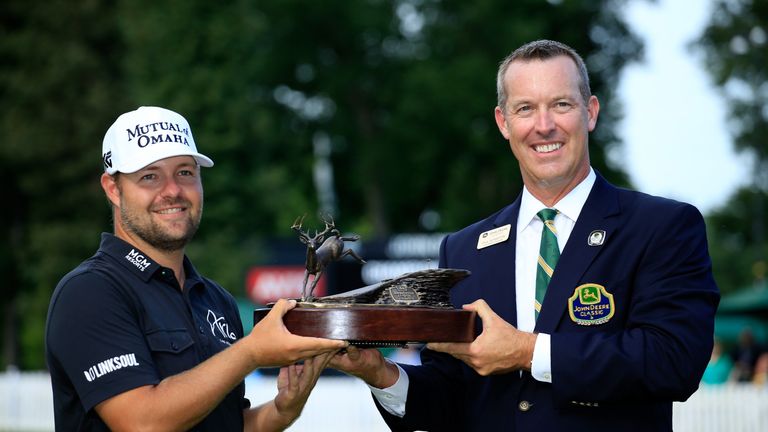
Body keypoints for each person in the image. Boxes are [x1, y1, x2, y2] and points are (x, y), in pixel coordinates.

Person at [330, 39, 720, 431]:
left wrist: (529, 352)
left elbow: (675, 362)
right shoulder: (463, 249)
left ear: (591, 112)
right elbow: (447, 399)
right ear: (503, 122)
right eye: (525, 109)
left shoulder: (661, 226)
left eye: (561, 104)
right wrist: (380, 373)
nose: (544, 125)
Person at [45, 106, 348, 431]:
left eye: (185, 172)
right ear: (113, 189)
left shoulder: (216, 299)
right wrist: (251, 352)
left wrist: (282, 411)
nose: (173, 190)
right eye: (150, 176)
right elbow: (142, 423)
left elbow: (229, 425)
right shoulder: (89, 292)